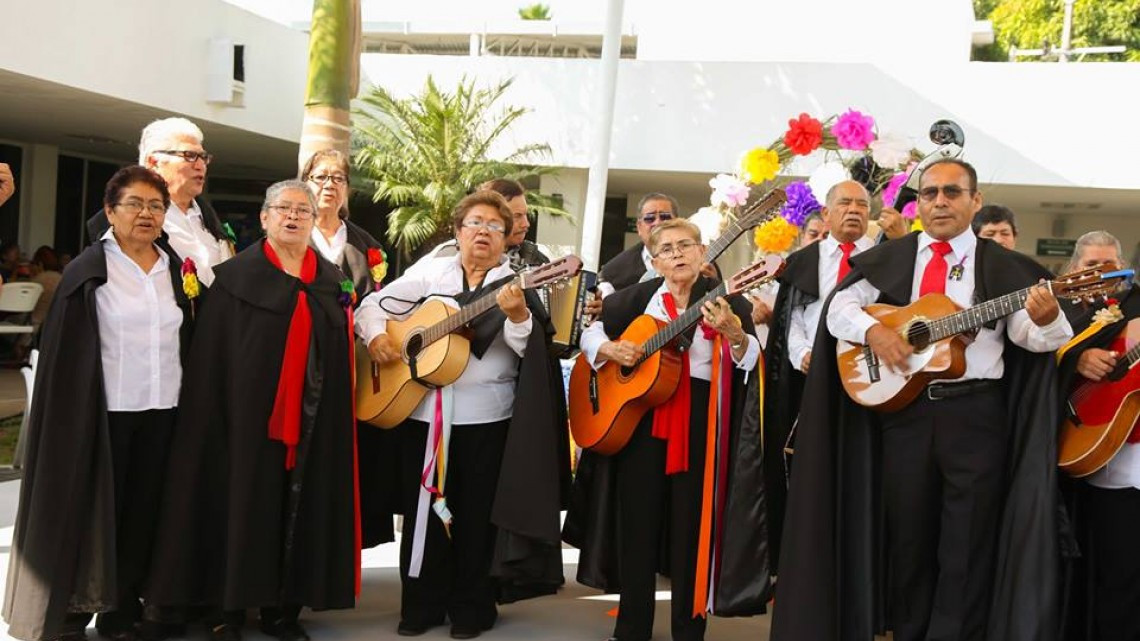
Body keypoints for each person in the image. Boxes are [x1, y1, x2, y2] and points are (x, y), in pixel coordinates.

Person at [771, 159, 1073, 641]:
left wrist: (1050, 316)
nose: (939, 202)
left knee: (968, 545)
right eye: (929, 193)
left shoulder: (1004, 267)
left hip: (975, 416)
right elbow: (839, 311)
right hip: (904, 416)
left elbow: (1034, 340)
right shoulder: (895, 256)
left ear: (974, 201)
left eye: (952, 193)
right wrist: (877, 334)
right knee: (908, 542)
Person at [144, 181, 359, 641]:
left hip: (309, 421)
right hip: (241, 424)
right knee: (239, 506)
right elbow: (213, 361)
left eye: (302, 210)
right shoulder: (235, 279)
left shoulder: (327, 280)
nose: (294, 217)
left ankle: (283, 609)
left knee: (295, 509)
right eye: (283, 208)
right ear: (264, 218)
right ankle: (228, 609)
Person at [356, 191, 567, 639]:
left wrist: (517, 317)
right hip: (421, 415)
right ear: (458, 230)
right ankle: (421, 605)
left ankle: (472, 607)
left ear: (508, 239)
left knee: (474, 519)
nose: (484, 232)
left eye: (495, 226)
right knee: (422, 517)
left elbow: (530, 351)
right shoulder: (432, 272)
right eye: (475, 223)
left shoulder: (517, 282)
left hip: (486, 420)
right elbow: (373, 305)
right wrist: (377, 338)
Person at [3, 166, 194, 641]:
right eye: (135, 204)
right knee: (90, 513)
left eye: (156, 206)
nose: (146, 214)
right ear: (110, 211)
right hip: (102, 413)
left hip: (162, 410)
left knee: (143, 513)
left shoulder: (175, 268)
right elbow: (66, 355)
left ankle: (123, 610)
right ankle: (70, 613)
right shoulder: (88, 271)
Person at [568, 218, 769, 641]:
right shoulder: (631, 301)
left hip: (699, 420)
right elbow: (587, 335)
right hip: (640, 421)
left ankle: (689, 628)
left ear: (702, 254)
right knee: (636, 526)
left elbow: (752, 362)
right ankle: (631, 628)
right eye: (667, 249)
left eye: (686, 245)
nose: (677, 254)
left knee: (691, 529)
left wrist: (735, 334)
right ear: (655, 261)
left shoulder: (731, 302)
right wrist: (605, 348)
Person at [754, 180, 873, 574]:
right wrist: (804, 354)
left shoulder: (886, 260)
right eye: (844, 203)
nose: (853, 210)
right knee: (806, 469)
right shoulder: (805, 261)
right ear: (826, 213)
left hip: (868, 380)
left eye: (861, 204)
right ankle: (798, 562)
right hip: (808, 381)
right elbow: (792, 320)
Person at [299, 149, 396, 548]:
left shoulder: (366, 245)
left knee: (348, 466)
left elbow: (379, 303)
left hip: (351, 370)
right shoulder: (292, 232)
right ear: (305, 182)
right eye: (320, 177)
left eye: (337, 179)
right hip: (298, 365)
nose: (328, 186)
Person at [1054, 231, 1140, 641]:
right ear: (1074, 269)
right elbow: (1028, 365)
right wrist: (1075, 359)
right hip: (1078, 445)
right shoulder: (1055, 309)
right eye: (1092, 266)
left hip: (1128, 453)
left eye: (1112, 266)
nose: (1103, 275)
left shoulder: (1137, 304)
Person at [88, 118, 234, 284]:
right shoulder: (128, 222)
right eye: (190, 156)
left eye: (203, 157)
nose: (201, 166)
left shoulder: (210, 220)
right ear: (153, 163)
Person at [404, 178, 552, 277]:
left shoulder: (534, 259)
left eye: (526, 215)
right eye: (517, 216)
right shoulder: (448, 256)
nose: (526, 224)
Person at [597, 193, 680, 295]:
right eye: (649, 218)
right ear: (639, 227)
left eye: (665, 217)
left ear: (677, 223)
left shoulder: (695, 260)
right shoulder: (613, 271)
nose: (658, 223)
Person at [28, 245, 63, 330]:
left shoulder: (39, 281)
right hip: (55, 329)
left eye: (33, 263)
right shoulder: (63, 279)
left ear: (40, 264)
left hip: (33, 329)